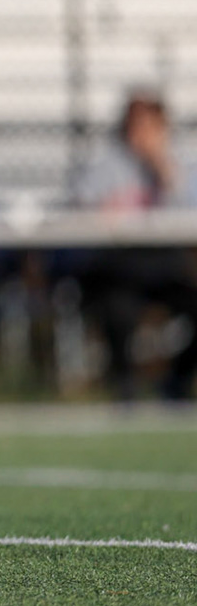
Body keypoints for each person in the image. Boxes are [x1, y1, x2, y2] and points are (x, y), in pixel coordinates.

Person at [70, 88, 197, 400]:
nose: (142, 134)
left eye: (150, 126)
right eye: (136, 125)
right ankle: (124, 386)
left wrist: (161, 168)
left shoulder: (179, 166)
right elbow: (80, 208)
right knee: (116, 307)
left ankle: (177, 381)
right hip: (120, 262)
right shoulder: (105, 167)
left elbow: (187, 210)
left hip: (166, 262)